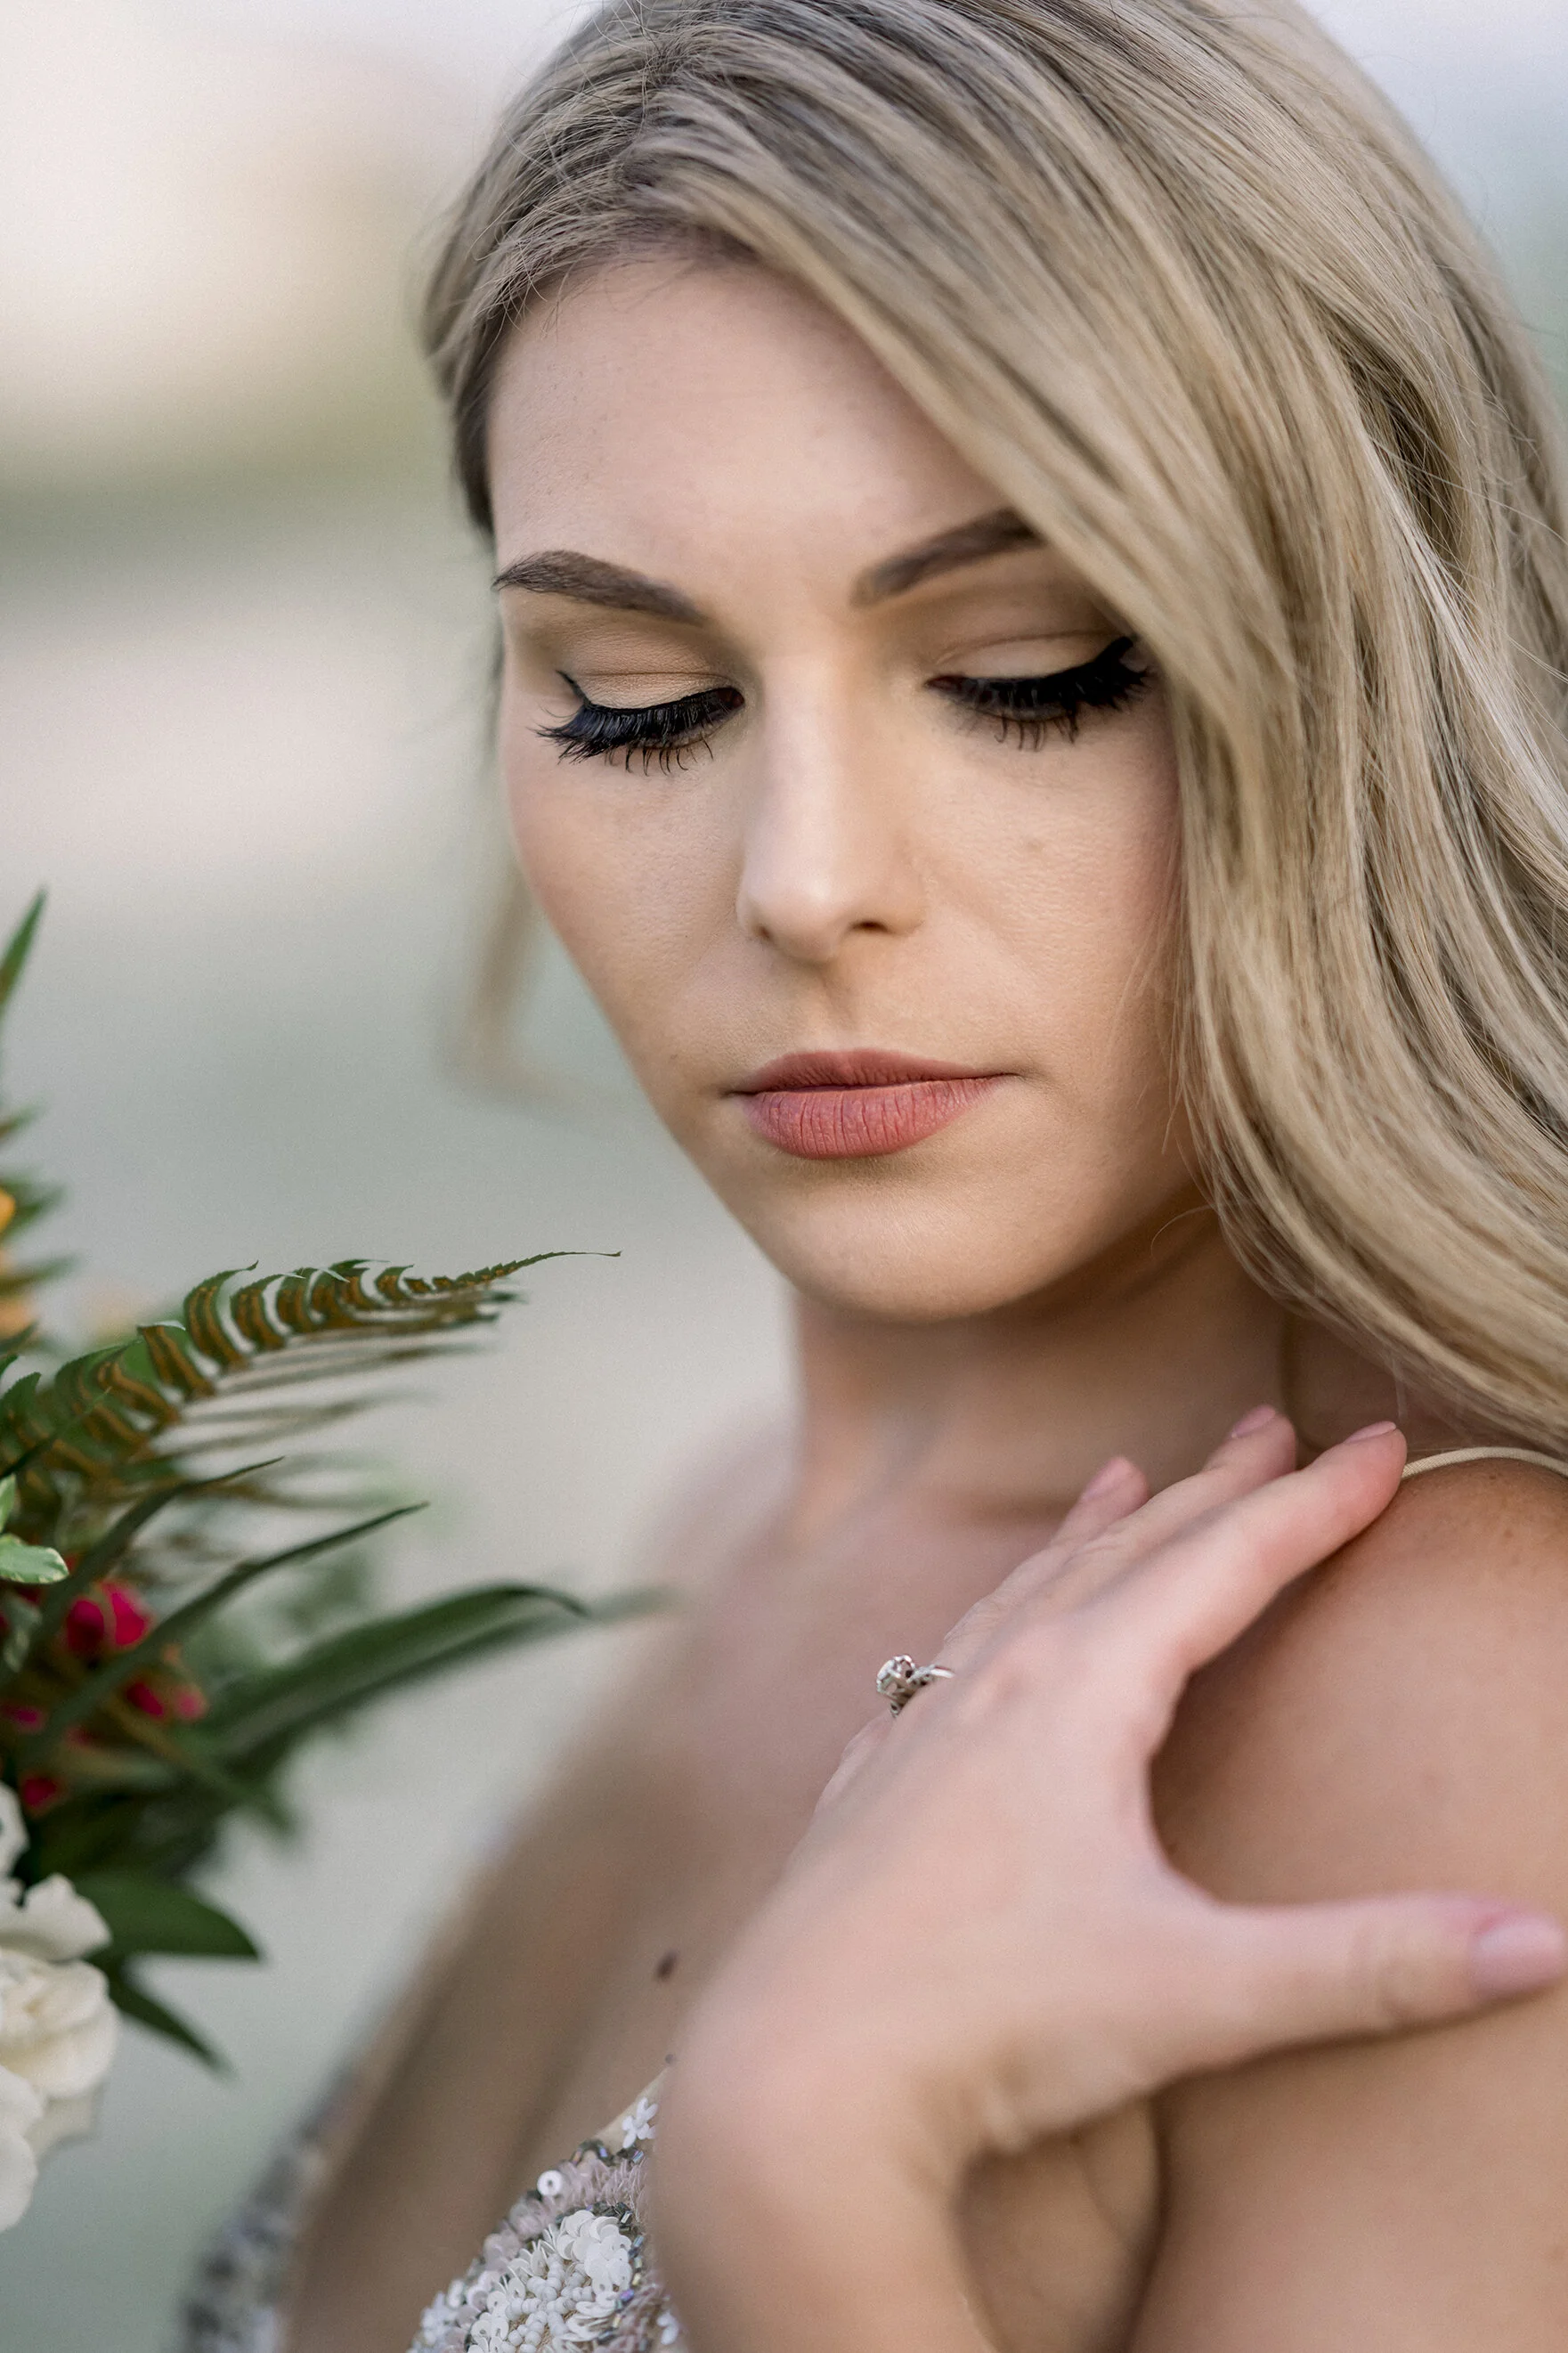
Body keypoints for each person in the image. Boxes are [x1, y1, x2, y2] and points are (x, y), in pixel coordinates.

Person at [181, 2, 1568, 2346]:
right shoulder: (736, 1524)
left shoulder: (1463, 1685)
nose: (805, 881)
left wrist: (802, 2182)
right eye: (634, 697)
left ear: (1352, 666)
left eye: (1030, 668)